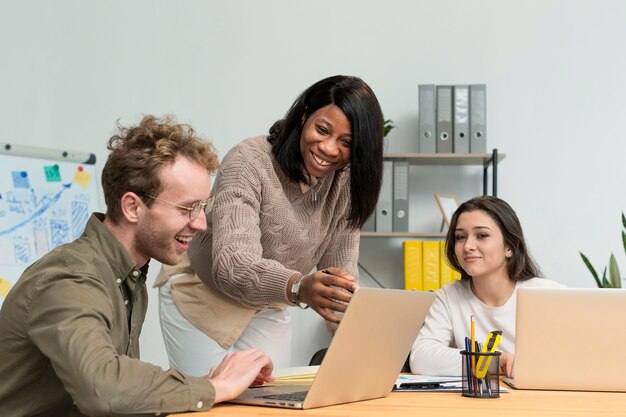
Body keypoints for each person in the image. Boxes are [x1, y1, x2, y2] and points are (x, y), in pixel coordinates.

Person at [0, 115, 274, 417]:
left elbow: (120, 390)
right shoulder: (69, 279)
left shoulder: (128, 277)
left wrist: (209, 384)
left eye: (203, 207)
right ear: (132, 207)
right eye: (187, 208)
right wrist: (217, 387)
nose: (201, 223)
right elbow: (103, 390)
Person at [156, 75, 384, 375]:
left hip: (271, 302)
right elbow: (233, 265)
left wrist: (341, 314)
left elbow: (341, 270)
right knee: (208, 401)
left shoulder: (346, 182)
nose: (329, 148)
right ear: (304, 117)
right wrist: (300, 287)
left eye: (346, 142)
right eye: (322, 130)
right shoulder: (249, 161)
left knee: (269, 402)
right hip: (203, 297)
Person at [409, 196, 564, 377]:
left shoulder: (547, 293)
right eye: (460, 237)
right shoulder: (448, 296)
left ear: (510, 247)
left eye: (482, 235)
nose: (467, 246)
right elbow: (421, 358)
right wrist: (492, 362)